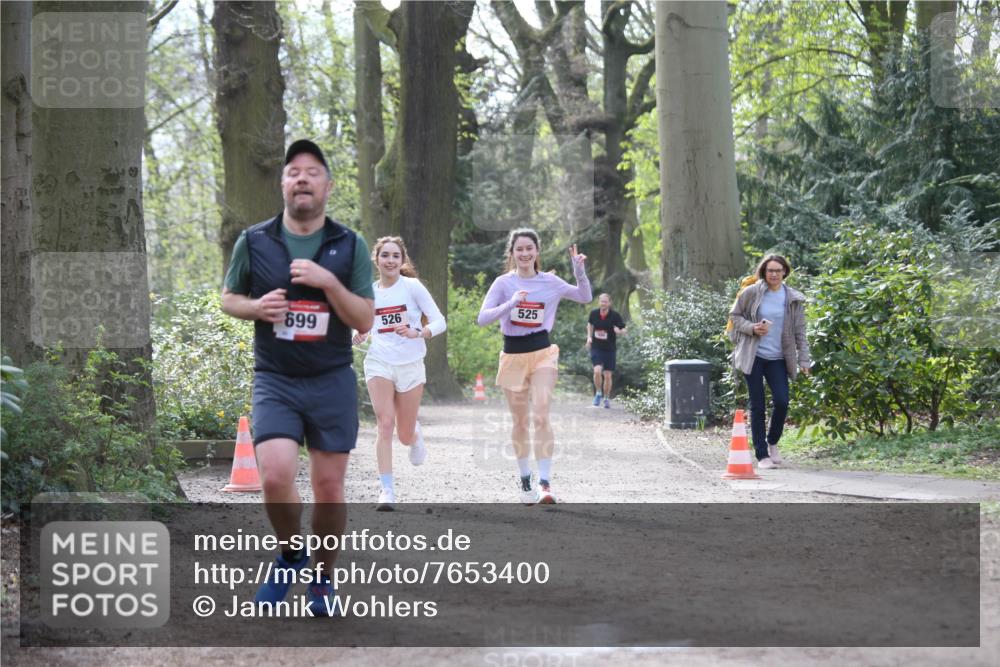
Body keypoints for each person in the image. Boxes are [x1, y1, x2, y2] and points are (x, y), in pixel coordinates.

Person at [221, 139, 375, 615]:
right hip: (276, 378)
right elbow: (228, 298)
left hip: (330, 378)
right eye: (293, 172)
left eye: (312, 172)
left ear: (327, 185)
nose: (302, 178)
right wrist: (255, 307)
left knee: (330, 488)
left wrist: (329, 283)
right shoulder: (255, 240)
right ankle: (290, 555)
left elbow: (365, 319)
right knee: (276, 476)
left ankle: (324, 579)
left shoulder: (349, 244)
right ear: (282, 184)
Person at [477, 229, 591, 504]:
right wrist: (511, 303)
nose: (525, 253)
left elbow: (584, 297)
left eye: (530, 248)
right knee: (520, 421)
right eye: (520, 249)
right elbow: (482, 318)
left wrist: (579, 271)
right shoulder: (503, 283)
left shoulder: (550, 281)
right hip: (513, 355)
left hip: (542, 353)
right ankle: (525, 477)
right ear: (513, 253)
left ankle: (545, 483)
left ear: (537, 252)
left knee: (541, 415)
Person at [352, 236, 446, 511]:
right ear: (377, 260)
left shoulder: (412, 287)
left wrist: (419, 332)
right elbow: (366, 325)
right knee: (384, 423)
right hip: (379, 361)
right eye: (385, 256)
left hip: (411, 363)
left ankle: (414, 434)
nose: (390, 260)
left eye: (395, 256)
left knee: (403, 434)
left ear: (402, 260)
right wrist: (359, 334)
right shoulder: (369, 292)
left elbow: (440, 321)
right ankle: (387, 490)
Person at [729, 254, 811, 470]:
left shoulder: (792, 298)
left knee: (782, 401)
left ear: (785, 272)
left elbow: (800, 331)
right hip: (753, 356)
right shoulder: (751, 292)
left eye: (778, 270)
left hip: (779, 358)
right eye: (770, 270)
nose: (774, 274)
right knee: (757, 405)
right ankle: (762, 454)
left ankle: (772, 441)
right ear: (763, 272)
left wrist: (804, 358)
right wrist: (753, 328)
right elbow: (734, 317)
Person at [586, 293, 627, 409]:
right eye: (601, 301)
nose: (603, 303)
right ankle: (598, 393)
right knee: (597, 371)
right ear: (599, 302)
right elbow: (589, 324)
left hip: (609, 349)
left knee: (608, 375)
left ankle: (606, 397)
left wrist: (620, 332)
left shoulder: (615, 316)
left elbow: (624, 329)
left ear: (609, 303)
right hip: (596, 347)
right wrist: (589, 337)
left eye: (605, 301)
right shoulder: (594, 313)